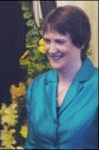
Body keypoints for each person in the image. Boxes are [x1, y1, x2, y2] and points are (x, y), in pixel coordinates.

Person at [25, 5, 98, 149]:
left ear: (81, 43)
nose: (51, 50)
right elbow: (32, 143)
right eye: (47, 41)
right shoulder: (37, 86)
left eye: (59, 41)